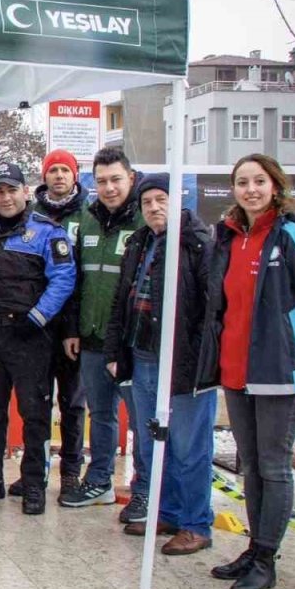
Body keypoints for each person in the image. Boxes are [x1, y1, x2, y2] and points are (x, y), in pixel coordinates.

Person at [198, 154, 295, 589]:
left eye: (259, 181)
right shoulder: (231, 238)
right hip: (237, 372)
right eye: (241, 182)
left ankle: (266, 558)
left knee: (274, 467)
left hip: (278, 372)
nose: (250, 189)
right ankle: (254, 547)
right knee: (251, 465)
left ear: (275, 186)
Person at [0, 162, 74, 516]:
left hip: (30, 337)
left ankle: (34, 484)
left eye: (11, 190)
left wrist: (37, 317)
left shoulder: (48, 232)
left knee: (34, 413)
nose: (5, 197)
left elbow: (64, 279)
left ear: (25, 191)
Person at [104, 173, 215, 554]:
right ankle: (165, 511)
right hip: (142, 356)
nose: (154, 207)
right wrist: (115, 352)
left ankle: (196, 523)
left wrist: (198, 358)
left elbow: (212, 309)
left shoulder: (199, 244)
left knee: (188, 447)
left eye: (161, 200)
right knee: (153, 441)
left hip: (183, 364)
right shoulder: (139, 242)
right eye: (148, 201)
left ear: (177, 200)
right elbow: (123, 301)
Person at [60, 147, 149, 523]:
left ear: (130, 178)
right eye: (102, 181)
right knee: (101, 412)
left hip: (132, 339)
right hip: (93, 335)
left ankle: (144, 488)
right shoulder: (88, 219)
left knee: (143, 418)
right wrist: (72, 328)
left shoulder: (147, 218)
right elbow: (76, 278)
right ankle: (99, 480)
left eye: (116, 179)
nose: (109, 188)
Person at [25, 149, 88, 502]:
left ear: (75, 175)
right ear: (44, 176)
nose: (59, 176)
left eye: (66, 170)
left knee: (72, 404)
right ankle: (36, 470)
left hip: (72, 326)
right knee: (37, 402)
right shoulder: (30, 216)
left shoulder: (88, 216)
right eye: (53, 170)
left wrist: (73, 327)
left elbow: (79, 277)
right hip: (38, 323)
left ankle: (70, 473)